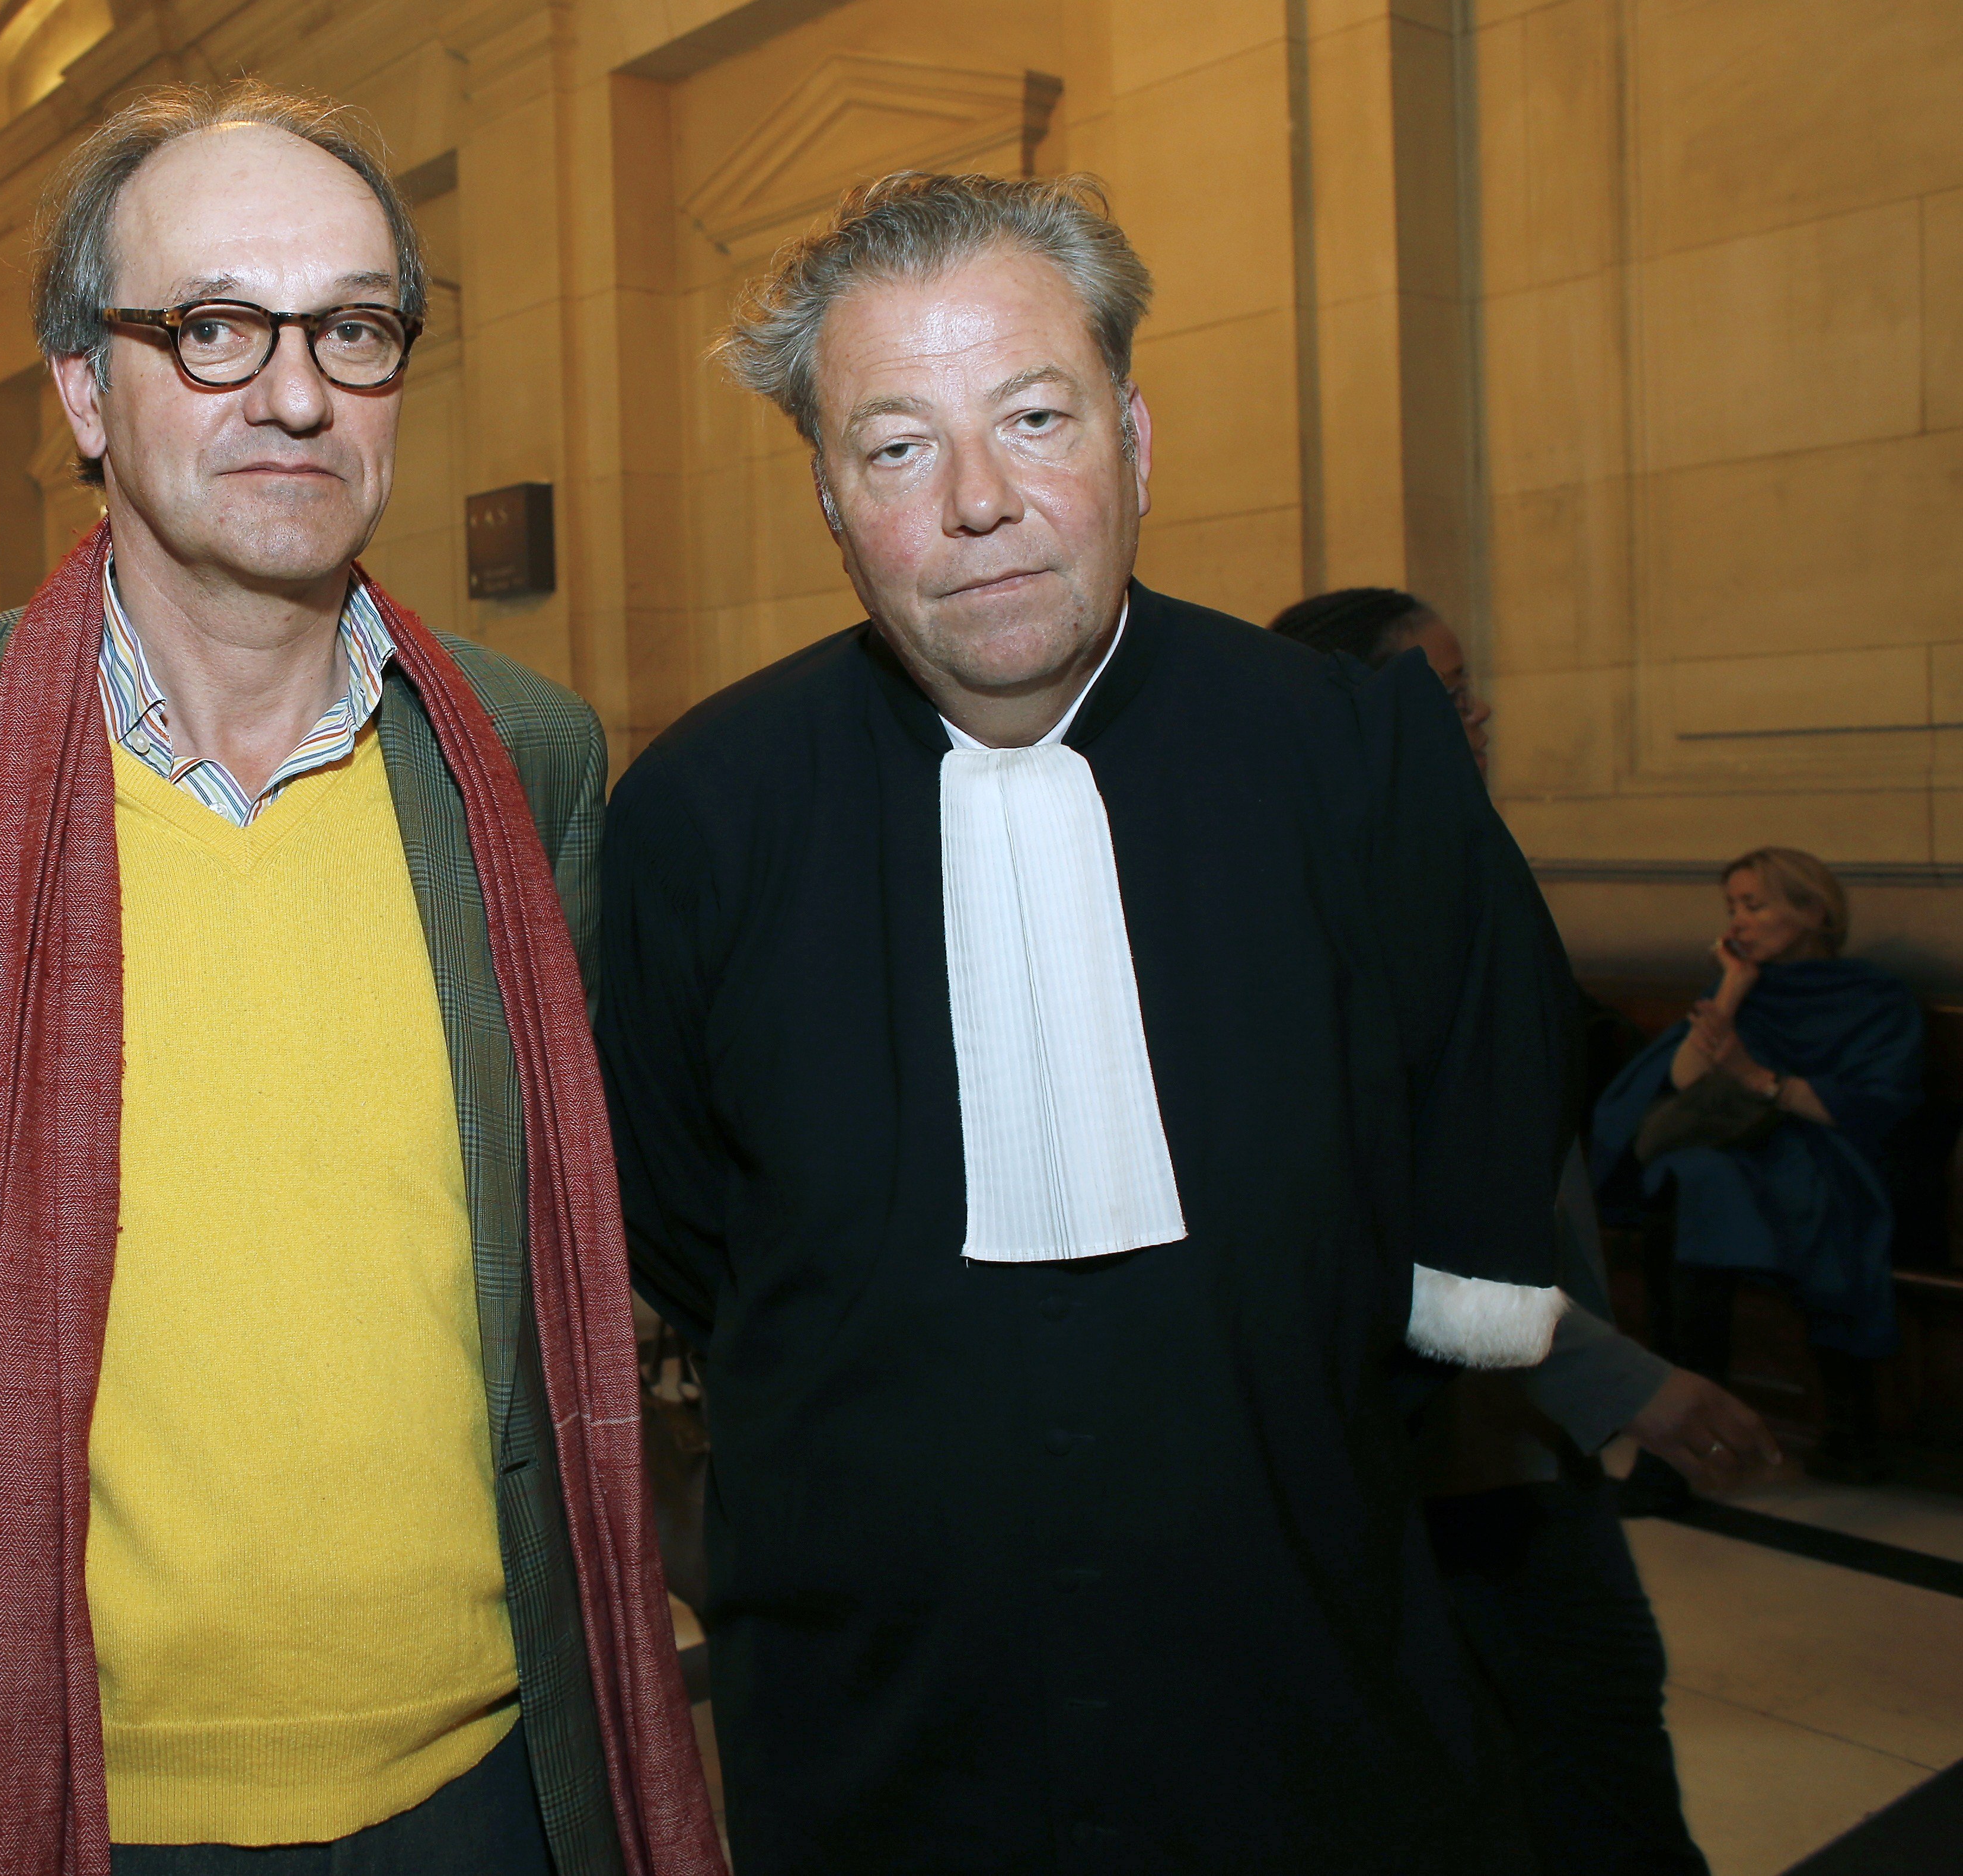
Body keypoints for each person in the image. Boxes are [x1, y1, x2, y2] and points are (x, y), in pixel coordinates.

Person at [0, 82, 720, 1876]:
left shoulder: (523, 758)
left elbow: (553, 1252)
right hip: (28, 1783)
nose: (291, 392)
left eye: (349, 327)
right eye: (210, 328)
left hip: (488, 1777)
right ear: (84, 390)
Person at [596, 170, 1579, 1874]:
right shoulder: (702, 810)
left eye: (1031, 417)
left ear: (1130, 436)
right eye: (895, 446)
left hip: (1302, 1663)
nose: (976, 500)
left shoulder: (1348, 758)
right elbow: (682, 1213)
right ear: (829, 498)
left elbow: (1474, 1092)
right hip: (876, 1704)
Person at [1274, 585, 1771, 1876]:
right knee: (1582, 1776)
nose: (1475, 714)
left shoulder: (1429, 868)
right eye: (1444, 690)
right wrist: (1623, 1380)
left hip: (1513, 1448)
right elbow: (1386, 1227)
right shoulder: (1344, 916)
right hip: (1454, 1460)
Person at [1593, 850, 1923, 1485]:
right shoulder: (1746, 987)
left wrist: (1755, 1078)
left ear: (1812, 911)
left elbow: (1869, 1107)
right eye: (1731, 908)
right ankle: (1686, 1430)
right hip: (1734, 1155)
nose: (1738, 921)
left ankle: (1709, 1440)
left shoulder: (1873, 996)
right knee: (1691, 1174)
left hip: (1827, 1152)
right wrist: (1733, 987)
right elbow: (1685, 1085)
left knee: (1705, 1179)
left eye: (1754, 904)